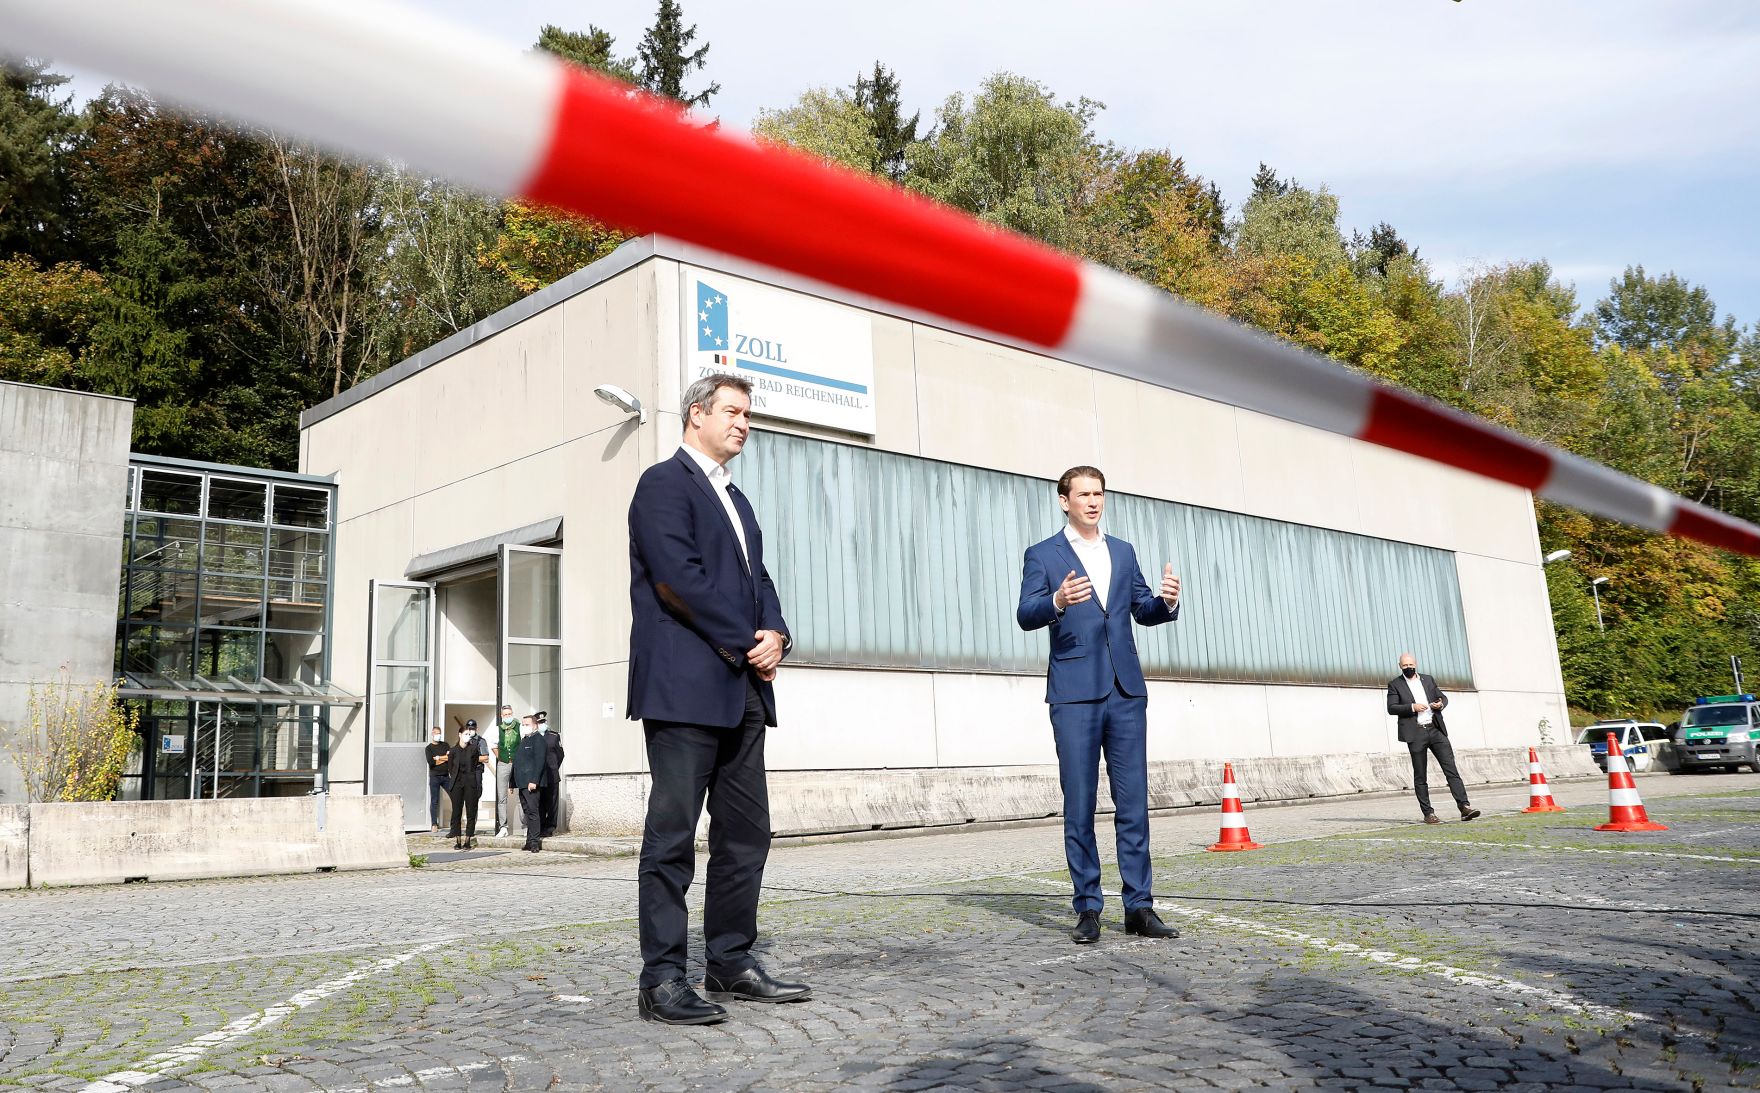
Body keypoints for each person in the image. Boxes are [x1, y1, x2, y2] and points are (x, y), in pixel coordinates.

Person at [627, 372, 808, 1026]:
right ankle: (662, 979)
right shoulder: (662, 485)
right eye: (733, 411)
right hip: (683, 689)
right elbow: (678, 581)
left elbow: (759, 580)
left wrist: (777, 635)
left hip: (742, 691)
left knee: (747, 833)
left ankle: (730, 960)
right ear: (696, 414)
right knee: (672, 836)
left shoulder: (739, 500)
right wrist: (745, 639)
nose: (744, 423)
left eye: (748, 413)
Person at [1017, 465, 1183, 946]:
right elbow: (1026, 614)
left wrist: (1166, 603)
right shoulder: (1042, 554)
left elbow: (1142, 609)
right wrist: (1058, 600)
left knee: (1133, 805)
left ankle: (1139, 907)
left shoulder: (1124, 551)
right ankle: (1088, 907)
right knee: (1080, 805)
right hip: (1074, 694)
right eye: (1084, 494)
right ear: (1063, 501)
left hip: (1125, 692)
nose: (1093, 501)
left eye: (1099, 493)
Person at [1387, 652, 1480, 824]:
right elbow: (1391, 708)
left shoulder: (1428, 680)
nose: (1408, 668)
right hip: (1415, 733)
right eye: (1405, 666)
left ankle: (1464, 807)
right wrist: (1412, 707)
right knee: (1420, 775)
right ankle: (1428, 813)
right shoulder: (1395, 684)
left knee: (1451, 769)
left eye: (1411, 665)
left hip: (1435, 729)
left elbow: (1442, 697)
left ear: (1416, 664)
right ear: (1400, 666)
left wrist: (1440, 704)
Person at [447, 719, 490, 848]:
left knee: (471, 811)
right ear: (459, 735)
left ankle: (467, 840)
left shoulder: (474, 749)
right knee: (456, 812)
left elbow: (476, 763)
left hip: (470, 783)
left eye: (469, 734)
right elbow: (450, 768)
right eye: (465, 734)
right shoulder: (453, 751)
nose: (467, 736)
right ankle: (457, 840)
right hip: (457, 784)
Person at [512, 714, 548, 852]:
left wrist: (534, 781)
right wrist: (512, 783)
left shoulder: (538, 740)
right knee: (527, 812)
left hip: (531, 783)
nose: (524, 727)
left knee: (533, 812)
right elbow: (518, 762)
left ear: (534, 725)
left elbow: (539, 762)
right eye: (523, 724)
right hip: (522, 782)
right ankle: (529, 840)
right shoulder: (524, 740)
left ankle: (534, 842)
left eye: (527, 724)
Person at [537, 710, 564, 837]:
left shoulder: (554, 736)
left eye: (543, 722)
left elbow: (560, 754)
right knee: (540, 802)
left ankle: (550, 827)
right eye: (539, 722)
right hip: (539, 776)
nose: (542, 724)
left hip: (552, 774)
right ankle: (541, 826)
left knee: (552, 802)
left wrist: (554, 766)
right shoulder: (533, 737)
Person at [495, 703, 520, 837]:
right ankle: (503, 827)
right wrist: (502, 757)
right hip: (503, 764)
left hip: (517, 764)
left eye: (509, 714)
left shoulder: (519, 727)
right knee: (501, 797)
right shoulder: (497, 729)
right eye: (505, 715)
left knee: (520, 795)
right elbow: (494, 745)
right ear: (501, 716)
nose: (507, 716)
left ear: (512, 714)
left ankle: (525, 825)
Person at [424, 726, 451, 833]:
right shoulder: (428, 748)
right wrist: (444, 757)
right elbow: (431, 762)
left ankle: (455, 822)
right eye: (436, 733)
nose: (438, 735)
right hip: (434, 776)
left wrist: (438, 758)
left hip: (445, 776)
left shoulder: (445, 745)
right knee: (434, 800)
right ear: (432, 734)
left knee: (454, 796)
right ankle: (434, 824)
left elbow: (450, 758)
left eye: (439, 733)